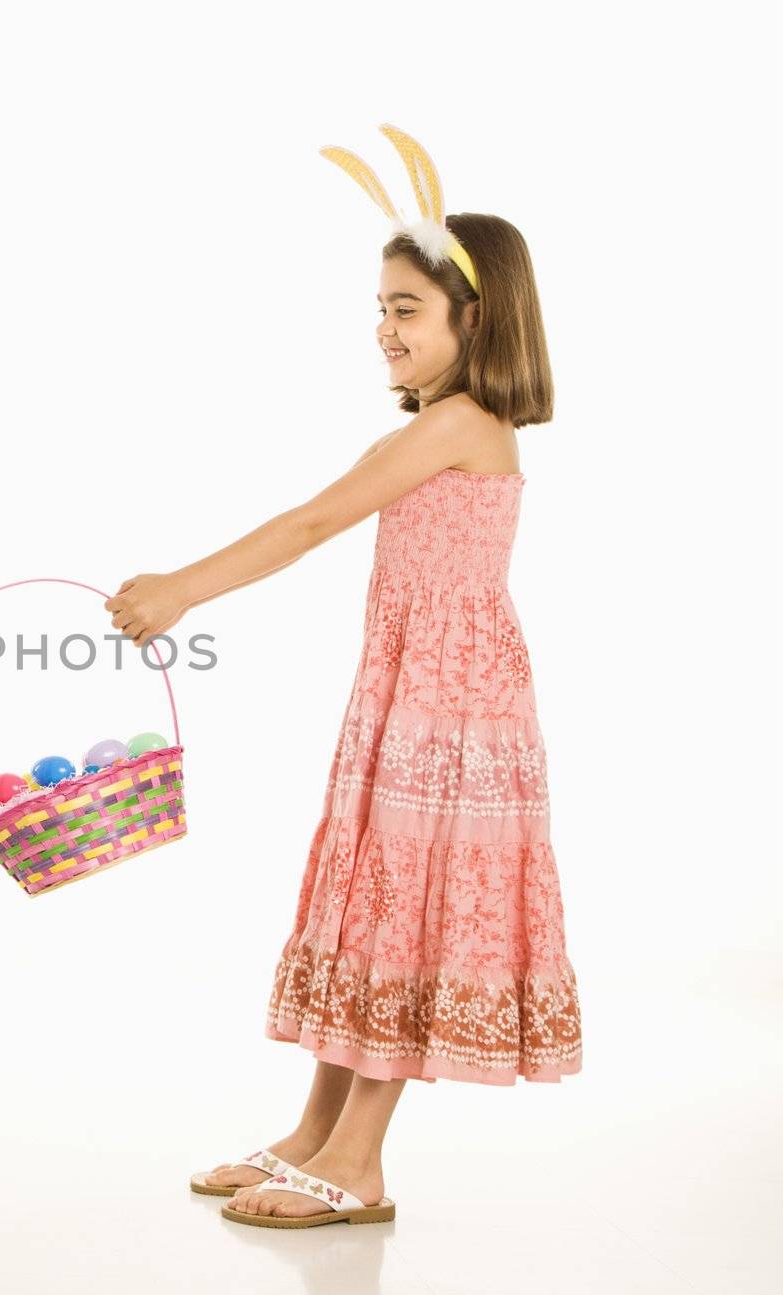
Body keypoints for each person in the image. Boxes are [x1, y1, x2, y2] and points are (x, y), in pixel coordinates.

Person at [104, 125, 581, 1229]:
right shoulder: (445, 420)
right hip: (410, 695)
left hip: (451, 710)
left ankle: (358, 1159)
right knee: (368, 900)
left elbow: (315, 519)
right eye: (379, 307)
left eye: (405, 308)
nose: (382, 329)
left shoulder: (462, 421)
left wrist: (181, 585)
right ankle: (316, 1129)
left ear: (477, 317)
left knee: (405, 912)